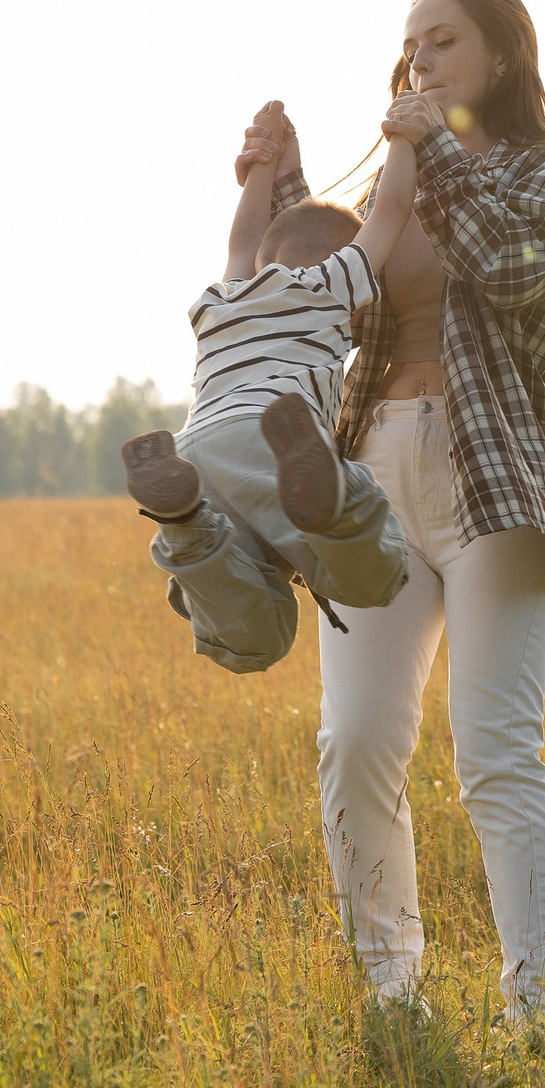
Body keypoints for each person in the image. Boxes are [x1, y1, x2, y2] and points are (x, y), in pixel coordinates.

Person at [248, 0, 545, 1028]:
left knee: (495, 753)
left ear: (501, 54)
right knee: (355, 742)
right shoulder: (401, 178)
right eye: (412, 45)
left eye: (444, 41)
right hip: (370, 477)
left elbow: (512, 267)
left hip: (492, 476)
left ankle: (537, 1016)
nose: (421, 60)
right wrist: (281, 184)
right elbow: (336, 289)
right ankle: (392, 995)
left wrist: (435, 148)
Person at [117, 113, 418, 674]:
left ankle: (187, 528)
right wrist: (404, 135)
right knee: (376, 577)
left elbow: (242, 239)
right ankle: (332, 502)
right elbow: (392, 210)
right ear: (341, 257)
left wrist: (262, 165)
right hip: (270, 430)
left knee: (254, 640)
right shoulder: (330, 285)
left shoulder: (224, 297)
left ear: (265, 256)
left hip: (197, 446)